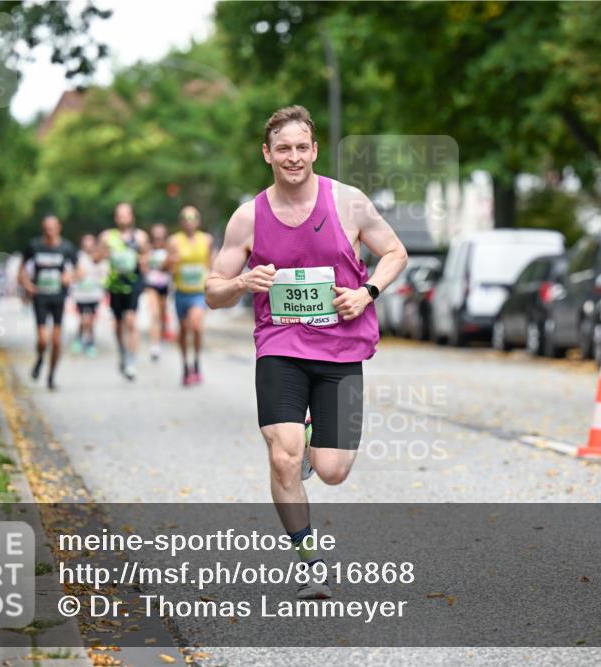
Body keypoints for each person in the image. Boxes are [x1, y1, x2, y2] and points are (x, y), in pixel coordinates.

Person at [206, 105, 408, 599]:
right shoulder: (248, 216)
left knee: (333, 470)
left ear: (314, 150)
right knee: (283, 458)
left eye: (301, 148)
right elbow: (211, 291)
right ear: (266, 154)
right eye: (283, 149)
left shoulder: (349, 203)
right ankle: (309, 559)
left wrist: (368, 293)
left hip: (342, 348)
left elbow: (395, 252)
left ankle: (312, 442)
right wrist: (240, 282)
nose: (293, 157)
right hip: (281, 345)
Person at [19, 215, 78, 391]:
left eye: (52, 227)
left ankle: (51, 376)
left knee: (57, 341)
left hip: (59, 297)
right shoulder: (34, 246)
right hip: (40, 297)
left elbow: (79, 268)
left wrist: (70, 276)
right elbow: (21, 270)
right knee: (43, 340)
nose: (49, 231)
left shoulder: (67, 247)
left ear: (59, 227)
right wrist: (27, 284)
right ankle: (39, 358)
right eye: (46, 227)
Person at [100, 203, 150, 381]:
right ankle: (122, 353)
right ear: (115, 217)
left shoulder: (140, 237)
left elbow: (146, 257)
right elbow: (97, 256)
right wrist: (107, 256)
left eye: (126, 214)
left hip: (134, 283)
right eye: (119, 215)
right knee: (119, 324)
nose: (123, 218)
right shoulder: (107, 236)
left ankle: (131, 362)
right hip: (115, 285)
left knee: (131, 321)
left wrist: (141, 260)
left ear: (131, 216)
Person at [168, 206, 216, 386]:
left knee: (195, 326)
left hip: (198, 292)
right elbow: (166, 265)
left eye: (193, 217)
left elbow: (212, 263)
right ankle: (185, 365)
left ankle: (196, 361)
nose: (189, 221)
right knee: (183, 330)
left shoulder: (207, 240)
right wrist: (171, 262)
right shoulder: (174, 241)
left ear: (198, 221)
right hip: (181, 292)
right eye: (185, 218)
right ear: (181, 221)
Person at [71, 234, 108, 357]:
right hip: (80, 294)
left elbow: (105, 275)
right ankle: (79, 338)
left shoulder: (101, 259)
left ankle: (90, 342)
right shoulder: (78, 257)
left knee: (91, 320)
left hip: (95, 295)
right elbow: (74, 274)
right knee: (83, 319)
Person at [144, 223, 173, 361]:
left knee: (162, 314)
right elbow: (143, 266)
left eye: (161, 238)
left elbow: (172, 267)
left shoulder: (169, 250)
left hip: (165, 286)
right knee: (154, 314)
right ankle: (154, 345)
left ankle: (161, 336)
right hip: (152, 285)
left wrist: (166, 265)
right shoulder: (148, 250)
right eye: (156, 238)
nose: (158, 240)